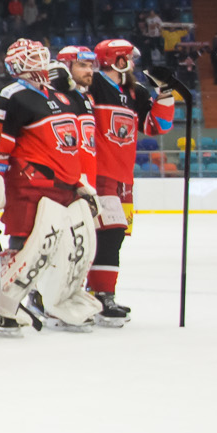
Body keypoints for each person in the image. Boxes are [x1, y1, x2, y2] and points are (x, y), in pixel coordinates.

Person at [0, 39, 99, 330]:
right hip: (30, 185)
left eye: (40, 56)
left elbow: (70, 145)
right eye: (32, 57)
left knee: (68, 248)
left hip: (65, 187)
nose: (39, 62)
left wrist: (80, 181)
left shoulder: (61, 97)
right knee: (26, 246)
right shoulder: (12, 96)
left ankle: (53, 302)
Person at [84, 37, 174, 324]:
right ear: (117, 60)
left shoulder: (136, 91)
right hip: (99, 174)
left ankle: (101, 293)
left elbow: (158, 126)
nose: (133, 62)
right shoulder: (93, 85)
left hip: (124, 178)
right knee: (106, 235)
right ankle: (98, 294)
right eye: (128, 57)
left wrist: (165, 92)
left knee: (116, 236)